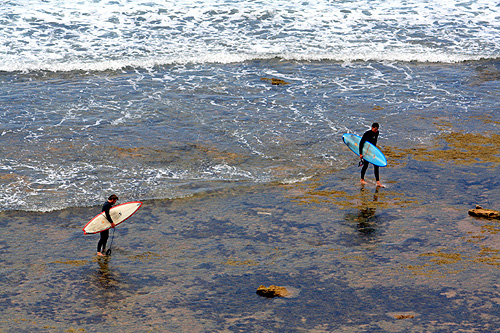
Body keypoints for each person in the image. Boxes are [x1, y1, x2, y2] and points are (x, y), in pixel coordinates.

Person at [359, 123, 384, 187]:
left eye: (377, 129)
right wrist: (361, 154)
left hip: (373, 151)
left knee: (376, 165)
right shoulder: (367, 134)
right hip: (367, 151)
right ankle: (362, 179)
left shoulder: (377, 133)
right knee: (365, 165)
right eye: (375, 129)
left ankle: (378, 182)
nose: (376, 130)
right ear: (372, 127)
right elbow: (361, 143)